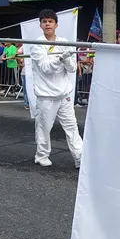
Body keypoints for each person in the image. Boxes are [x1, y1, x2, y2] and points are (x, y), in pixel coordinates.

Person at [30, 9, 83, 168]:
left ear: (56, 24)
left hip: (64, 95)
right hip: (46, 96)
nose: (47, 24)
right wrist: (61, 58)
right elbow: (46, 68)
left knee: (72, 127)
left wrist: (67, 59)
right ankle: (41, 155)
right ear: (40, 25)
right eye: (44, 21)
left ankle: (80, 157)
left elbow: (73, 68)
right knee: (44, 128)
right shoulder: (37, 45)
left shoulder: (64, 42)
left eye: (50, 21)